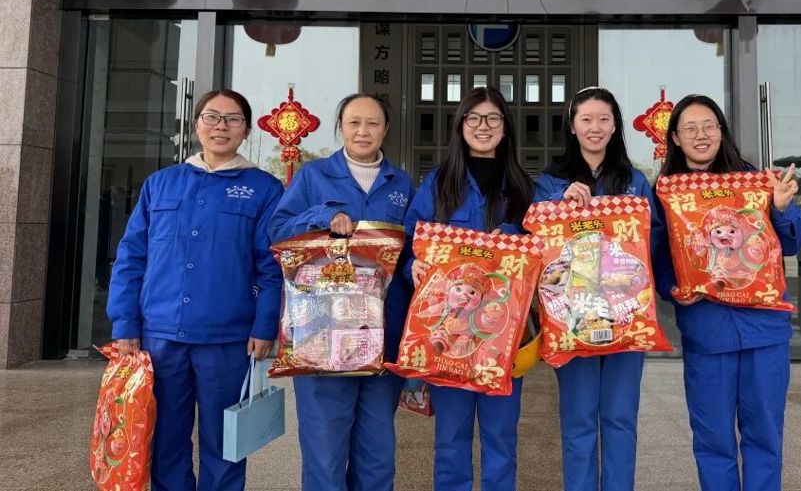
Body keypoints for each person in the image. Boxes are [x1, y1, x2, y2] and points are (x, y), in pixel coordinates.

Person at [106, 89, 284, 491]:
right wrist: (125, 323)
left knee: (226, 442)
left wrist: (265, 325)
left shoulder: (263, 189)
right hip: (160, 334)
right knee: (165, 439)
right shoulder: (161, 184)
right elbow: (131, 256)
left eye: (233, 119)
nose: (221, 126)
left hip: (228, 338)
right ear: (196, 124)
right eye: (212, 117)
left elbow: (271, 267)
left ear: (246, 130)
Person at [657, 94, 801, 491]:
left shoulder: (754, 183)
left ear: (721, 132)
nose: (701, 135)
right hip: (708, 331)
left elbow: (792, 244)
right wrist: (672, 287)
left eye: (709, 126)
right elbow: (659, 254)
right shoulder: (667, 192)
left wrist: (782, 208)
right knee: (713, 438)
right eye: (690, 128)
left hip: (764, 330)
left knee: (765, 434)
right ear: (675, 137)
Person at [268, 93, 415, 491]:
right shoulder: (313, 176)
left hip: (382, 337)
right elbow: (277, 230)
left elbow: (411, 253)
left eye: (372, 123)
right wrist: (323, 217)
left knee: (377, 454)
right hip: (322, 337)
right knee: (325, 454)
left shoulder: (401, 183)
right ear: (341, 128)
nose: (363, 131)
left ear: (385, 129)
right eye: (354, 123)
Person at [532, 86, 668, 491]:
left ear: (614, 126)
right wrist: (559, 202)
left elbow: (654, 240)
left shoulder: (634, 182)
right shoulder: (549, 181)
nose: (595, 127)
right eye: (586, 119)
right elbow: (535, 238)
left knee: (621, 418)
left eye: (604, 119)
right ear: (572, 126)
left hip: (626, 317)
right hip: (573, 318)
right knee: (578, 420)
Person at [403, 85, 534, 491]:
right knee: (450, 439)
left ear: (505, 127)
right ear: (460, 126)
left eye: (493, 118)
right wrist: (413, 265)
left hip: (503, 334)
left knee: (501, 439)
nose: (483, 126)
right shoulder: (440, 182)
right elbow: (412, 240)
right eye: (473, 118)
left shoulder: (522, 186)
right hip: (450, 332)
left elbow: (544, 250)